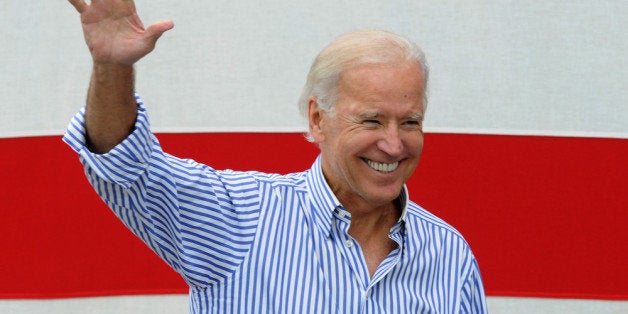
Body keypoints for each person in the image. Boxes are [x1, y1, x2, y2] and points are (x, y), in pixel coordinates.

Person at [65, 0, 488, 313]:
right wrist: (112, 67)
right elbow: (126, 169)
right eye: (373, 121)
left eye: (410, 122)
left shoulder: (449, 255)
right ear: (318, 119)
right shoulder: (240, 218)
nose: (394, 145)